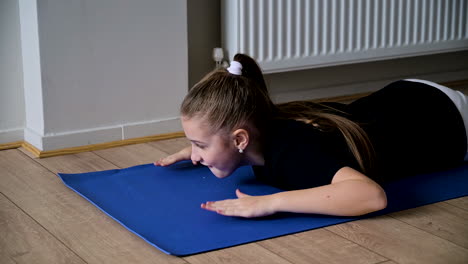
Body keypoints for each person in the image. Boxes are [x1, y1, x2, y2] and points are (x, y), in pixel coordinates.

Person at [154, 53, 468, 218]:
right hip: (407, 96)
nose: (195, 154)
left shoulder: (293, 154)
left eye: (200, 145)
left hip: (448, 122)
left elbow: (371, 196)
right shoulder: (263, 123)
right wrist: (199, 148)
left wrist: (269, 203)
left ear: (240, 140)